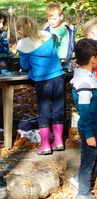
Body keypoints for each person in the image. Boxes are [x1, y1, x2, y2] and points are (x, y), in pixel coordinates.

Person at [16, 17, 65, 155]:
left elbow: (24, 65)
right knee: (58, 109)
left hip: (43, 80)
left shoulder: (23, 43)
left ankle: (45, 145)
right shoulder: (48, 36)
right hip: (58, 77)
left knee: (44, 111)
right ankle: (59, 141)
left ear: (21, 30)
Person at [70, 38, 97, 199]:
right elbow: (84, 110)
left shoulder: (89, 76)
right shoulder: (84, 82)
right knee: (88, 162)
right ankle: (83, 195)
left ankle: (79, 179)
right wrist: (88, 134)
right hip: (91, 128)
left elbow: (96, 94)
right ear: (93, 59)